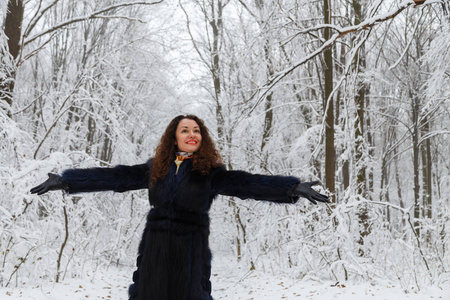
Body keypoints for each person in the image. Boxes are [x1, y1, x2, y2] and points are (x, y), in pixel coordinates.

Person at [30, 114, 329, 300]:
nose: (192, 134)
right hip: (155, 249)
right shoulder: (155, 169)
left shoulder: (210, 173)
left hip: (191, 250)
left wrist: (290, 187)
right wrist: (68, 181)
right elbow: (115, 177)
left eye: (196, 130)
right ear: (174, 136)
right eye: (185, 130)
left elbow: (247, 184)